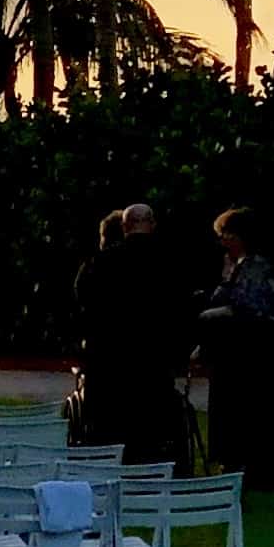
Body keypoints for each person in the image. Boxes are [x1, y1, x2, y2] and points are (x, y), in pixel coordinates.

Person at [71, 200, 194, 466]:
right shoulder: (172, 263)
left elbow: (83, 306)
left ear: (124, 227)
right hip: (155, 366)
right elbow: (184, 311)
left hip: (109, 365)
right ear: (152, 225)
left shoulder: (99, 264)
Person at [199, 205, 274, 489]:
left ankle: (260, 468)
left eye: (225, 235)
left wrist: (206, 318)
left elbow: (244, 311)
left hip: (261, 356)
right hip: (258, 353)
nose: (222, 242)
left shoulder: (257, 268)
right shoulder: (245, 267)